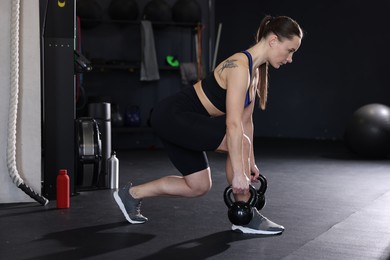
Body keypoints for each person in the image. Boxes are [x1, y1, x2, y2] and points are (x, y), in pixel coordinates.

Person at [114, 15, 303, 235]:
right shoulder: (239, 67)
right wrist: (239, 175)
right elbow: (233, 125)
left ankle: (130, 194)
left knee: (198, 186)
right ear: (272, 41)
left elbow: (245, 121)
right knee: (237, 141)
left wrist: (250, 161)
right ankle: (245, 216)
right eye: (290, 50)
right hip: (173, 115)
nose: (290, 59)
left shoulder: (255, 72)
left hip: (184, 120)